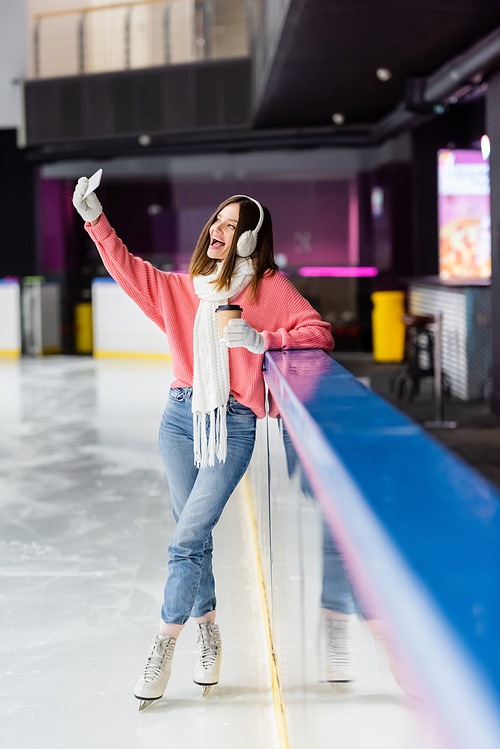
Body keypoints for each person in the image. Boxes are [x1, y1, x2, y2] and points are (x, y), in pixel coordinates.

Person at [72, 177, 334, 709]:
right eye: (220, 218)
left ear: (249, 241)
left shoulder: (267, 288)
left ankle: (163, 644)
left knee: (188, 537)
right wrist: (95, 219)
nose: (221, 228)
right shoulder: (188, 287)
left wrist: (265, 340)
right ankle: (209, 629)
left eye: (235, 226)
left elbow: (318, 334)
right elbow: (130, 270)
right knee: (193, 536)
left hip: (233, 424)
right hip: (180, 416)